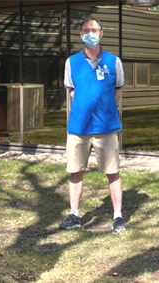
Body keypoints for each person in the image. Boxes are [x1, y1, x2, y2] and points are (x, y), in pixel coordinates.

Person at [59, 16, 127, 233]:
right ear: (81, 35)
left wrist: (102, 107)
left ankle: (117, 216)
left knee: (112, 172)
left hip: (106, 127)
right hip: (79, 128)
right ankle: (74, 215)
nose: (91, 33)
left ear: (101, 33)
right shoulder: (71, 62)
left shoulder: (113, 61)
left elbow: (117, 90)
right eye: (86, 30)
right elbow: (71, 91)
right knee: (75, 171)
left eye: (94, 29)